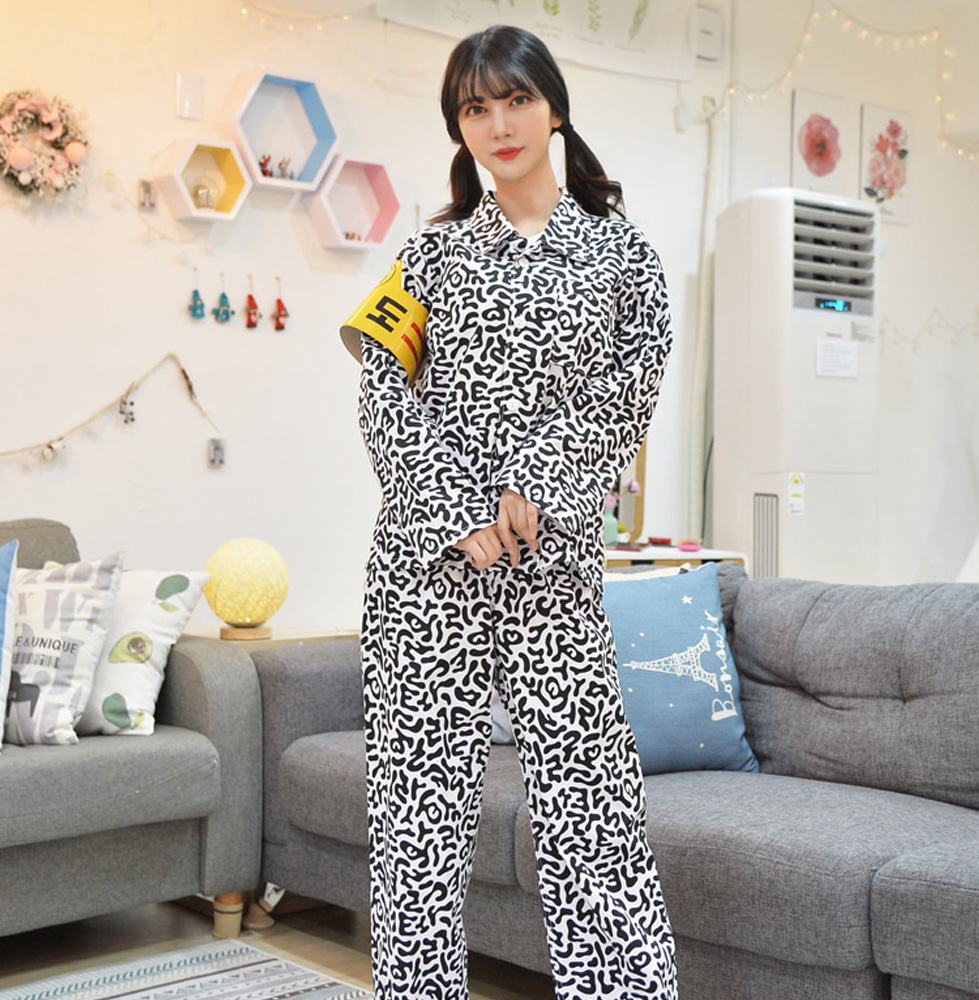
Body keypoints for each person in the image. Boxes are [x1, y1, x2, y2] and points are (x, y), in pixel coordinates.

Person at [347, 23, 677, 1000]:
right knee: (416, 827)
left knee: (594, 818)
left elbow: (625, 392)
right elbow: (381, 392)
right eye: (475, 107)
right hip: (425, 577)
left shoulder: (624, 259)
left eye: (516, 100)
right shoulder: (428, 254)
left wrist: (535, 483)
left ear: (555, 107)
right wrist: (457, 509)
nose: (499, 123)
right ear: (459, 126)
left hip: (553, 572)